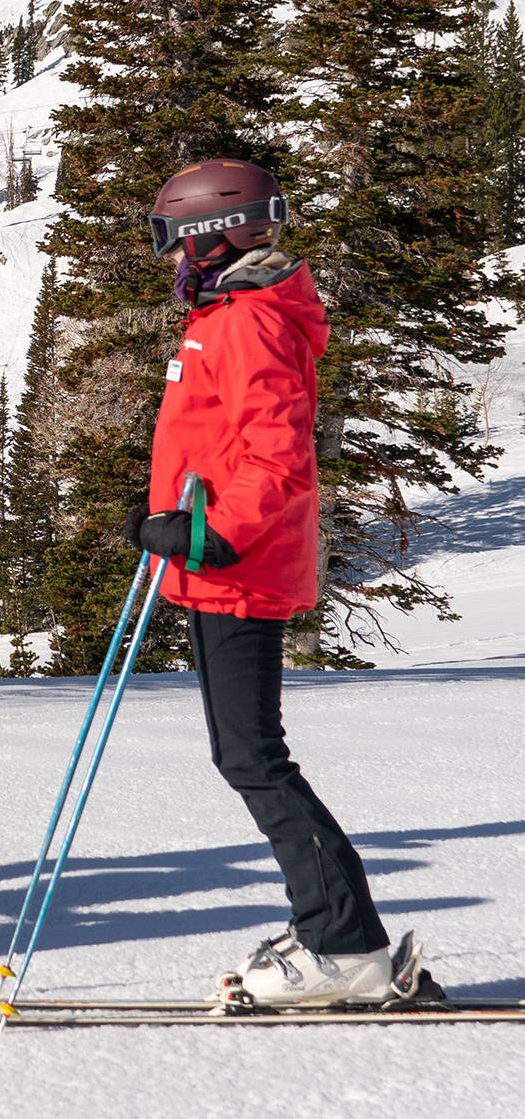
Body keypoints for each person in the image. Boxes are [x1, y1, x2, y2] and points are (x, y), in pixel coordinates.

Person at [126, 157, 394, 1007]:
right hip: (221, 568)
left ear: (210, 236)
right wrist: (180, 520)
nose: (170, 259)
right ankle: (328, 929)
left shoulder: (244, 323)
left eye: (174, 240)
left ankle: (344, 945)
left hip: (237, 568)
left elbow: (278, 459)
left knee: (254, 759)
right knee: (242, 754)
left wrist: (208, 534)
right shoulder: (228, 316)